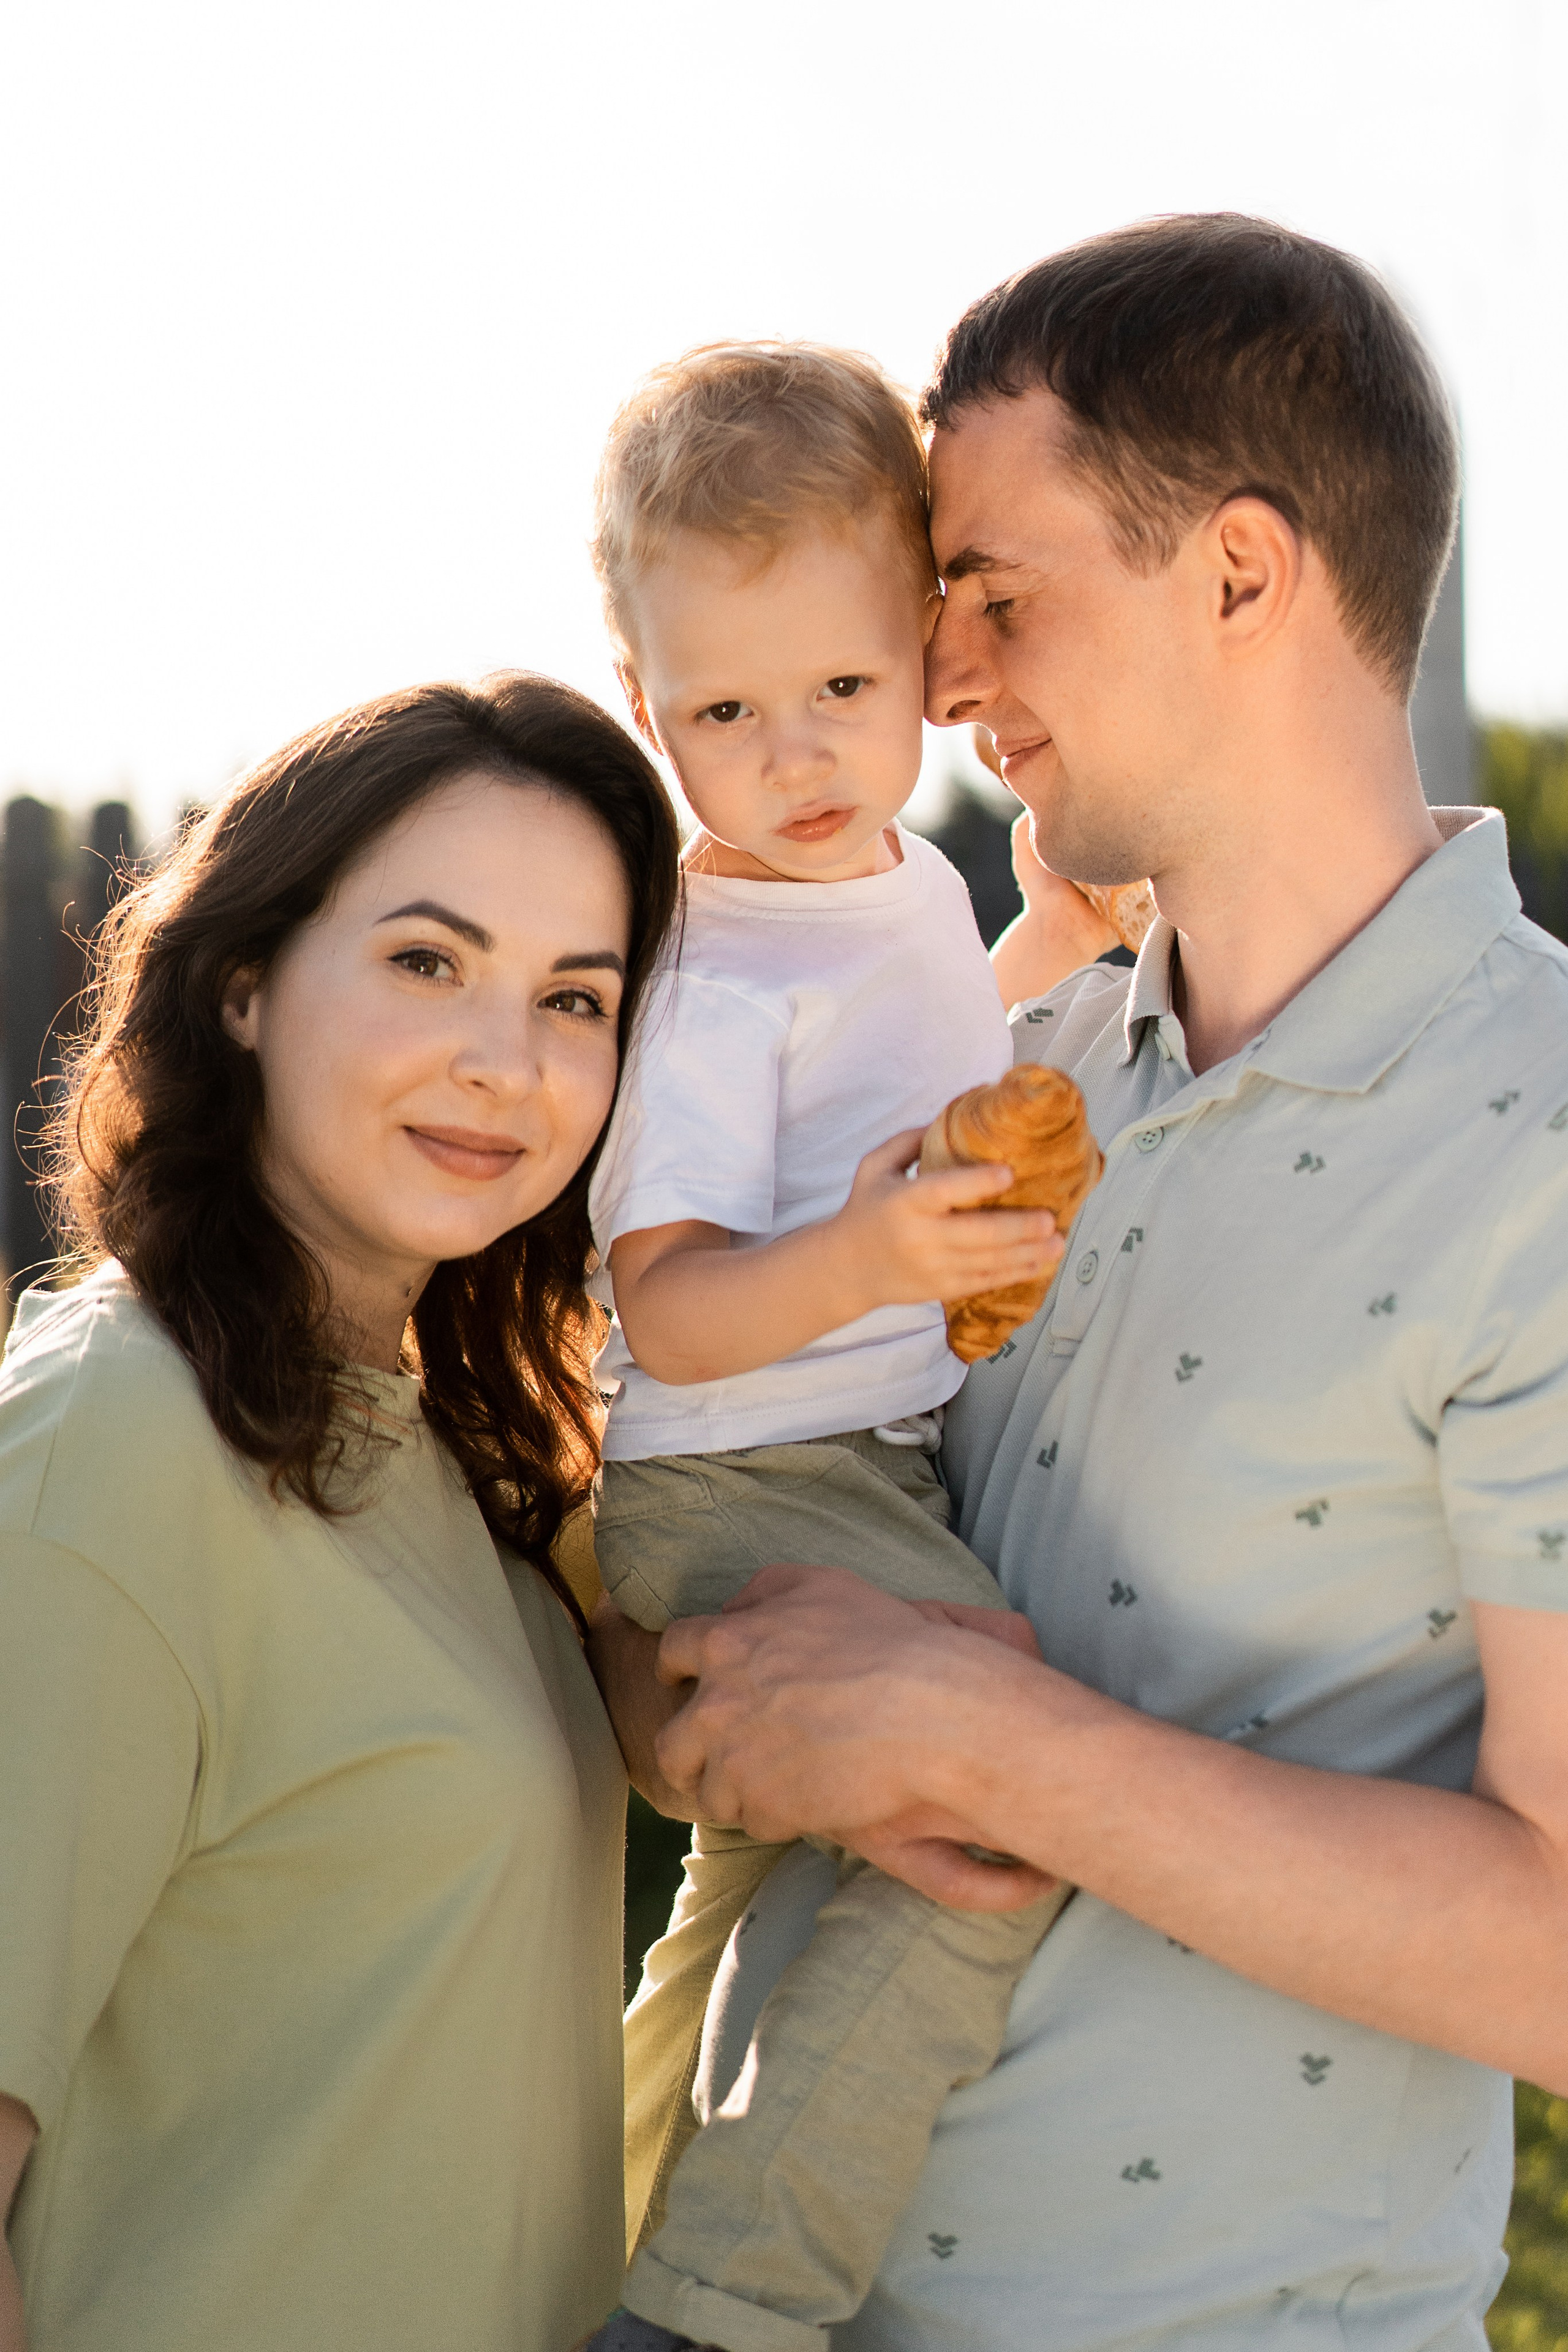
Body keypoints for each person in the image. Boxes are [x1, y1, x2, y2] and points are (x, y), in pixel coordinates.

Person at [597, 216, 1568, 2350]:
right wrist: (705, 1712)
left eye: (998, 597)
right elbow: (744, 1632)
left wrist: (980, 1733)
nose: (940, 678)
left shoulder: (1550, 1142)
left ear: (1238, 573)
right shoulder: (1012, 1070)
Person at [0, 673, 681, 2352]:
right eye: (426, 963)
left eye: (576, 998)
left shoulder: (463, 1450)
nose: (502, 1064)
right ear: (244, 984)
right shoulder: (118, 1434)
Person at [577, 343, 1070, 2352]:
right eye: (726, 712)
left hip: (856, 1467)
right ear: (647, 709)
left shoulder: (899, 891)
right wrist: (867, 1252)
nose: (795, 760)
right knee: (1003, 1809)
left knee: (748, 1892)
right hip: (740, 1481)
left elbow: (938, 1061)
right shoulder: (714, 968)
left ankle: (591, 2237)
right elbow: (672, 1307)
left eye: (844, 694)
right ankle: (720, 2307)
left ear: (928, 650)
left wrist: (1056, 943)